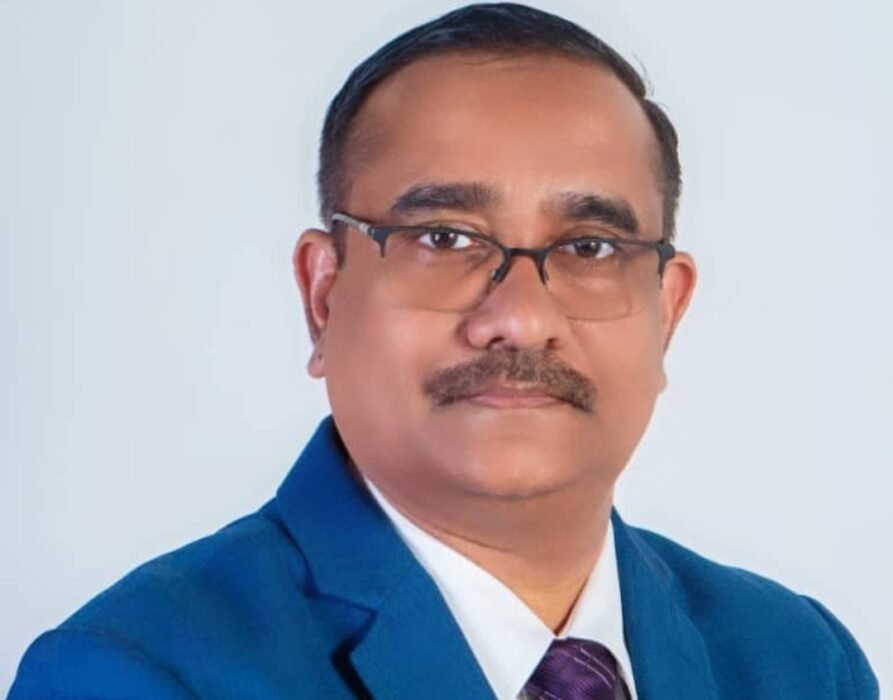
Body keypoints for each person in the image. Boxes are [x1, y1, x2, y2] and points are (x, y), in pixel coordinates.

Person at [8, 3, 879, 699]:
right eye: (443, 238)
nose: (520, 319)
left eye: (589, 247)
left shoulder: (797, 660)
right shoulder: (137, 673)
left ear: (667, 310)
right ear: (323, 295)